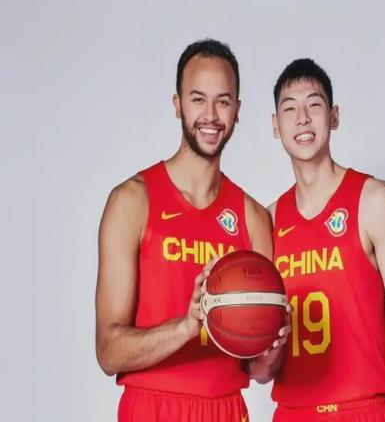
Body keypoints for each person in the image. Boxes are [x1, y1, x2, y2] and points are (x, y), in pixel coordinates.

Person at [95, 38, 288, 422]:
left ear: (237, 110)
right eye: (198, 99)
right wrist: (187, 326)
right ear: (177, 104)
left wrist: (272, 347)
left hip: (226, 408)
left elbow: (259, 371)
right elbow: (108, 351)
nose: (211, 115)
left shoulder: (252, 217)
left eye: (223, 101)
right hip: (152, 407)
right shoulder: (132, 201)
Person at [264, 58, 385, 421]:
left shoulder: (373, 201)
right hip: (293, 414)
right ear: (276, 126)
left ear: (334, 116)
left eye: (314, 104)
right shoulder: (268, 221)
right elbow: (260, 366)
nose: (302, 118)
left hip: (363, 411)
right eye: (290, 109)